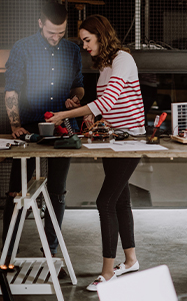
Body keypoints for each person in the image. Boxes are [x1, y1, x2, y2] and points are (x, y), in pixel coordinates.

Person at [46, 14, 145, 291]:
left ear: (102, 36)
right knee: (120, 200)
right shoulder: (105, 67)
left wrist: (66, 113)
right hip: (114, 140)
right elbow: (107, 108)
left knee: (105, 202)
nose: (85, 46)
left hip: (131, 141)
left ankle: (108, 273)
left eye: (88, 40)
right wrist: (91, 116)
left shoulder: (123, 59)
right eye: (82, 41)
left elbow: (108, 100)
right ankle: (130, 261)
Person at [3, 1, 84, 260]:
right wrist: (15, 124)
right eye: (51, 33)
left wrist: (76, 99)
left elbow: (79, 86)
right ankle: (8, 254)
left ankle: (51, 251)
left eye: (61, 33)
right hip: (28, 130)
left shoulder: (71, 50)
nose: (55, 38)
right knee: (17, 192)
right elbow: (11, 89)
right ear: (40, 24)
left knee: (57, 191)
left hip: (62, 129)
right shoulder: (22, 48)